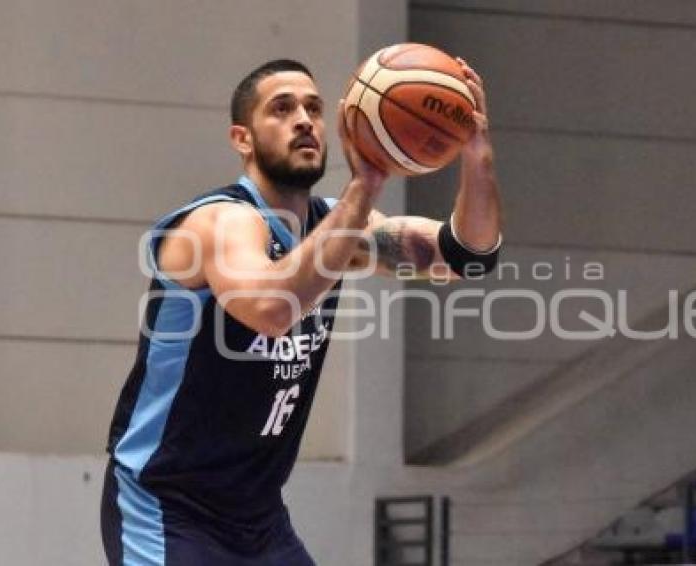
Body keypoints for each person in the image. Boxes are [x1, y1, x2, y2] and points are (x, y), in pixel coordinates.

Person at [101, 57, 501, 565]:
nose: (304, 119)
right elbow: (271, 308)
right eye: (282, 108)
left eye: (313, 107)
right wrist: (367, 185)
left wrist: (476, 151)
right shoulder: (219, 222)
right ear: (242, 139)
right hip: (167, 506)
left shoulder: (338, 228)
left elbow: (466, 255)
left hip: (259, 518)